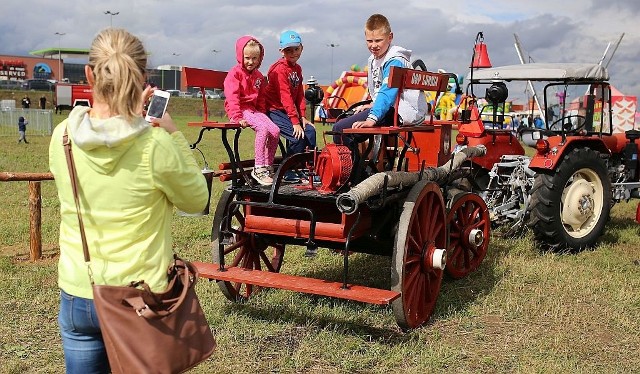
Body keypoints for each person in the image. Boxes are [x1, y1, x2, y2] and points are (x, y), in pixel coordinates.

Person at [48, 28, 210, 373]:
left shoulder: (62, 137)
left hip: (79, 288)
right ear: (143, 78)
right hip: (141, 296)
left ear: (89, 74)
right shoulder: (155, 145)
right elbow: (197, 200)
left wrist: (130, 119)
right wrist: (172, 133)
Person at [332, 14, 427, 146]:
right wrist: (372, 105)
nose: (373, 45)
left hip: (401, 112)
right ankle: (358, 162)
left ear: (390, 37)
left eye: (378, 40)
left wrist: (372, 118)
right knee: (344, 119)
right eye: (369, 41)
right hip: (392, 108)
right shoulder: (374, 59)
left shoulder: (395, 60)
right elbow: (382, 91)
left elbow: (387, 92)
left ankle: (349, 165)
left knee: (340, 129)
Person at [224, 35, 280, 186]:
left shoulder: (259, 76)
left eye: (255, 58)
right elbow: (232, 97)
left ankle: (268, 166)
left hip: (254, 111)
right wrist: (236, 117)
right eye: (247, 58)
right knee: (262, 129)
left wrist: (262, 112)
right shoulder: (235, 74)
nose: (251, 62)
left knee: (275, 130)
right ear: (240, 56)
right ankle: (258, 168)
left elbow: (261, 97)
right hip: (241, 110)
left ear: (260, 58)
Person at [265, 30, 316, 183]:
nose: (293, 53)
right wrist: (295, 122)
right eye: (288, 50)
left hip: (288, 112)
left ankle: (309, 169)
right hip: (273, 110)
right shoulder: (279, 69)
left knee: (311, 131)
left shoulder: (297, 69)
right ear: (281, 51)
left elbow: (300, 95)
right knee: (297, 135)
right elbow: (285, 96)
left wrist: (303, 117)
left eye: (296, 49)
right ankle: (286, 171)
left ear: (302, 48)